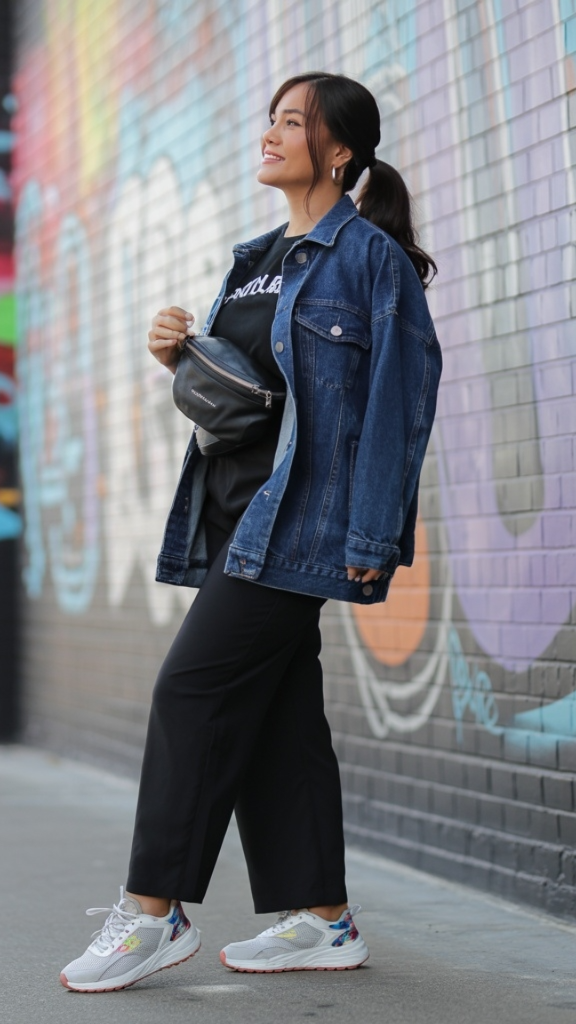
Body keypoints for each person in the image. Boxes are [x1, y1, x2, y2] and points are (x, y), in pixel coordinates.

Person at [60, 71, 441, 992]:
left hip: (298, 526)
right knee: (279, 717)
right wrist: (175, 351)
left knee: (190, 692)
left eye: (292, 122)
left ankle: (155, 911)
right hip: (234, 511)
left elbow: (400, 401)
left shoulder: (370, 261)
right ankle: (323, 918)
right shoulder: (258, 254)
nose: (269, 133)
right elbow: (250, 396)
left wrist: (370, 536)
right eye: (269, 118)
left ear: (339, 150)